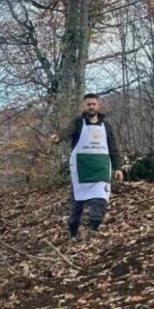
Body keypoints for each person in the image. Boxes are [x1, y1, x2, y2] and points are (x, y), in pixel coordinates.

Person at [51, 93, 124, 239]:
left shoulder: (106, 126)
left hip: (101, 169)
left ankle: (93, 231)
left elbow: (113, 148)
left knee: (101, 200)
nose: (91, 107)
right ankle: (73, 233)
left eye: (93, 104)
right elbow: (67, 131)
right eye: (88, 104)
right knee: (77, 203)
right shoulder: (78, 123)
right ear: (84, 106)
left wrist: (118, 167)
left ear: (98, 105)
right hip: (81, 169)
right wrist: (58, 137)